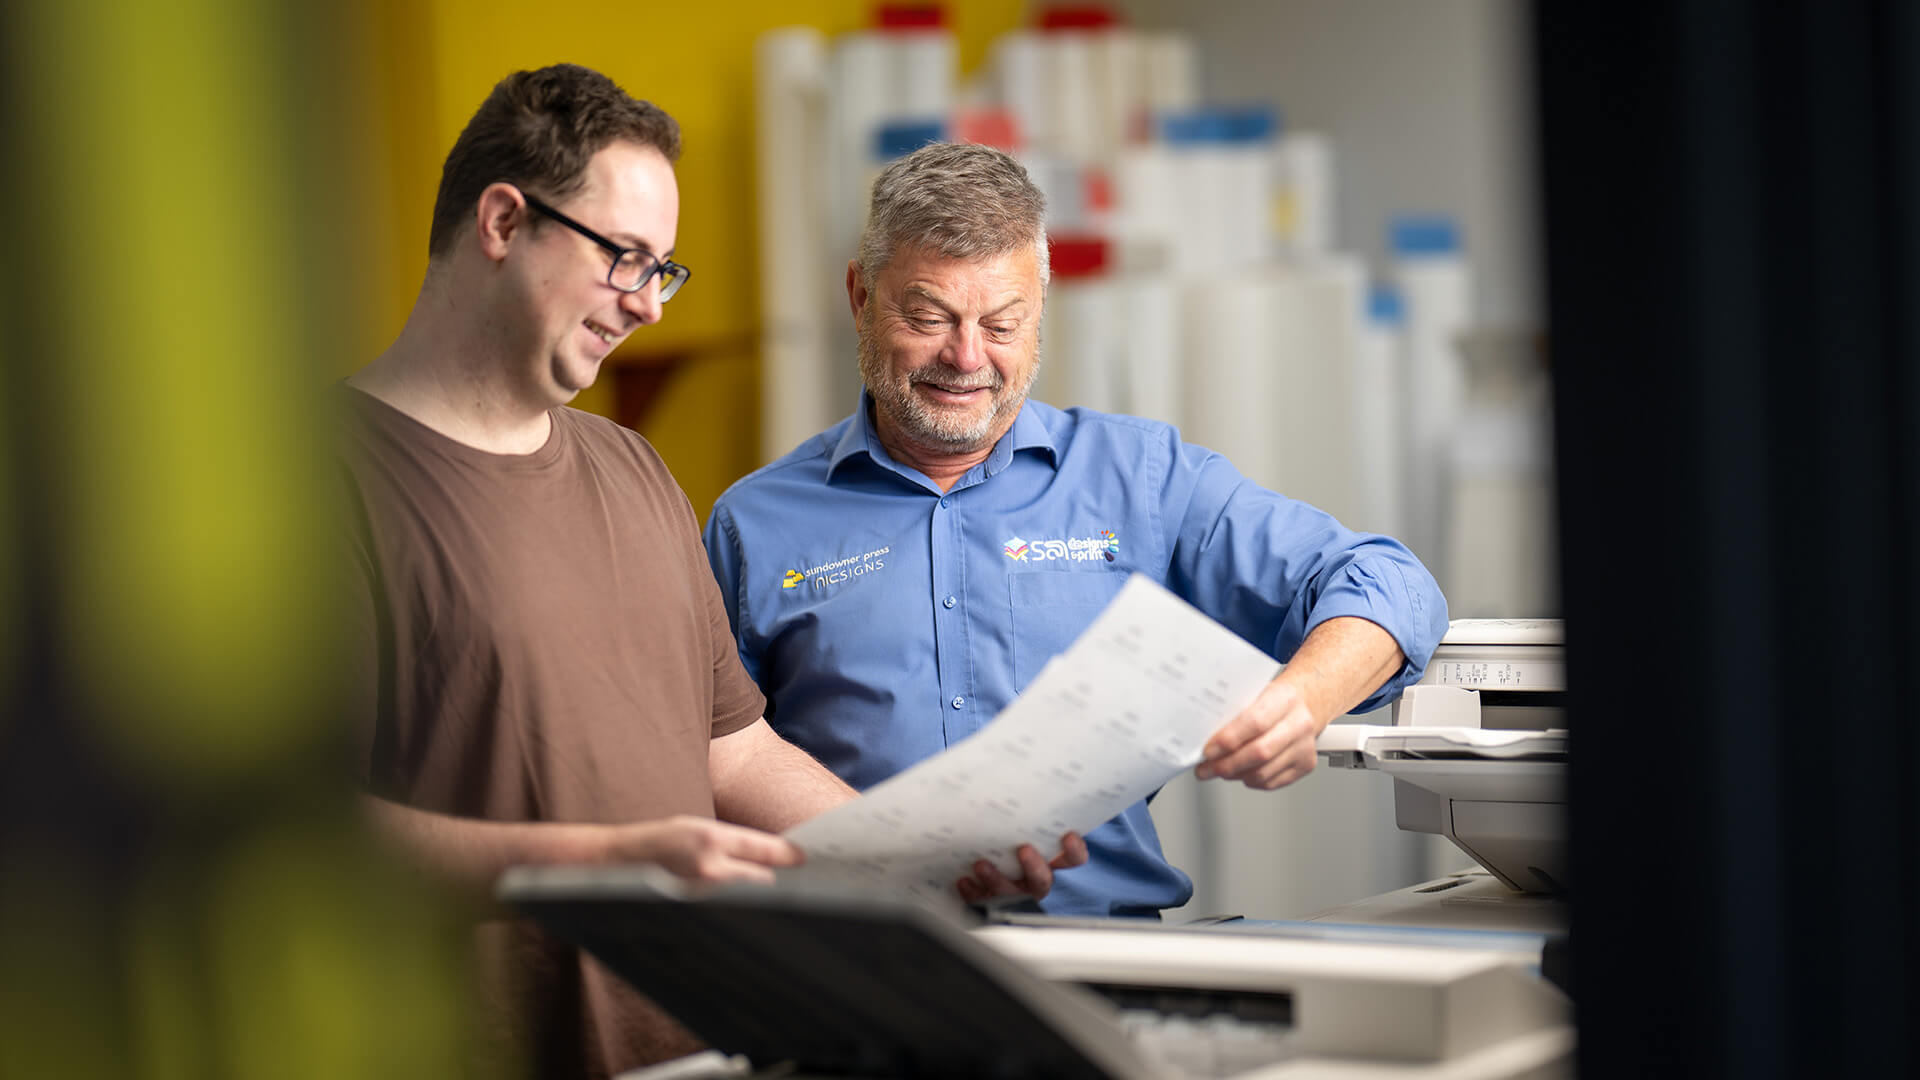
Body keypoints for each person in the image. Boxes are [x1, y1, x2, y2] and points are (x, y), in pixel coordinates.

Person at [337, 68, 1082, 1078]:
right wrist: (605, 866)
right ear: (505, 221)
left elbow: (732, 752)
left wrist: (923, 863)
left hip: (692, 1050)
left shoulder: (631, 469)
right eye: (625, 260)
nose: (647, 306)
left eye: (663, 270)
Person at [704, 141, 1449, 918]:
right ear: (860, 298)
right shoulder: (753, 527)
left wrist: (1302, 700)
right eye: (928, 316)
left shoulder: (1140, 479)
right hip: (864, 963)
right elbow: (708, 760)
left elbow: (1388, 581)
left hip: (1107, 959)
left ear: (1041, 316)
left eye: (1002, 324)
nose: (966, 358)